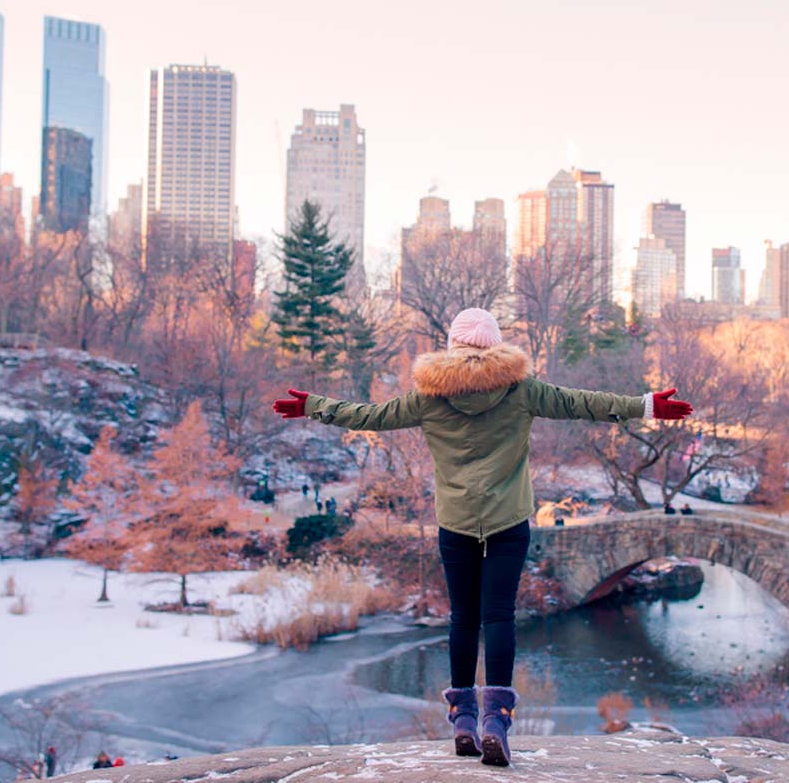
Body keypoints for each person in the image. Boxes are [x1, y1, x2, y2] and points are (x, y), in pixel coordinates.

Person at [274, 307, 690, 766]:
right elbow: (581, 403)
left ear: (453, 346)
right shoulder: (521, 391)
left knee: (462, 619)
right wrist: (646, 406)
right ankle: (497, 720)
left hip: (455, 521)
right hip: (508, 520)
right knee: (499, 617)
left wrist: (314, 406)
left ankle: (463, 719)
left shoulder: (428, 397)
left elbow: (369, 416)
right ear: (495, 346)